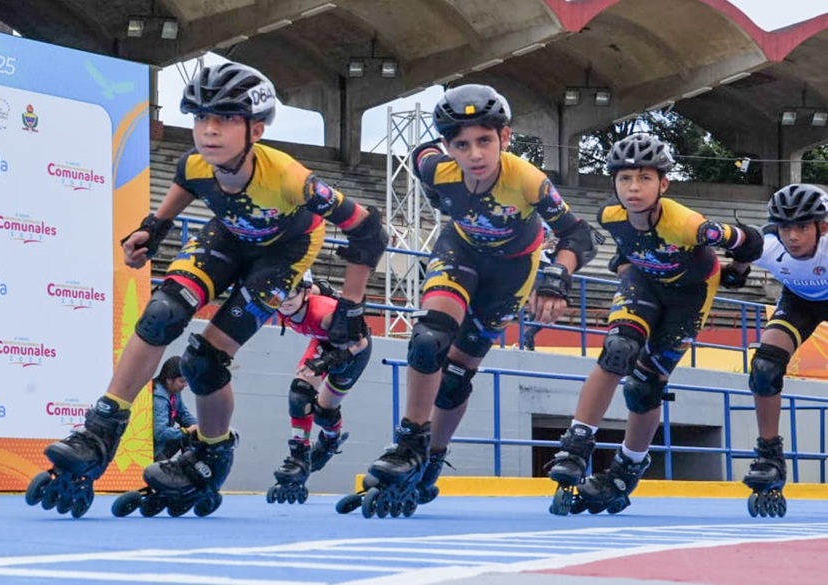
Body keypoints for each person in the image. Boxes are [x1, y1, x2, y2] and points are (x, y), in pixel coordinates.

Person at [26, 60, 387, 518]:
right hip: (231, 238)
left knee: (203, 362)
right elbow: (184, 184)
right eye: (201, 118)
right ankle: (103, 427)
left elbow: (370, 230)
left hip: (283, 256)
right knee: (161, 314)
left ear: (256, 129)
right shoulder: (196, 164)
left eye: (224, 119)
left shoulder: (293, 180)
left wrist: (352, 305)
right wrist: (151, 229)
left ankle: (211, 454)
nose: (209, 131)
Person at [341, 84, 600, 517]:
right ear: (448, 147)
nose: (475, 155)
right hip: (459, 252)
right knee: (427, 340)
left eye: (485, 141)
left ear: (506, 138)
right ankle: (410, 441)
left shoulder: (528, 180)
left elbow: (579, 235)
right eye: (461, 145)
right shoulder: (434, 168)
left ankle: (434, 457)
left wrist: (555, 279)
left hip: (510, 274)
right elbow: (425, 156)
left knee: (458, 375)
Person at [545, 133, 763, 516]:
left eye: (645, 178)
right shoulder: (610, 216)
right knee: (617, 350)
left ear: (664, 183)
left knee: (645, 387)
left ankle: (629, 464)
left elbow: (751, 242)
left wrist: (737, 272)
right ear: (613, 182)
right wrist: (626, 271)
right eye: (625, 178)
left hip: (689, 297)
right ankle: (577, 442)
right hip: (645, 283)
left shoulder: (690, 225)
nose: (633, 188)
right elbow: (629, 249)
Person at [722, 183, 828, 518]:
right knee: (764, 368)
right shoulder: (770, 246)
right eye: (785, 228)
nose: (793, 237)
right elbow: (741, 260)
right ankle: (769, 454)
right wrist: (735, 272)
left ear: (822, 227)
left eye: (801, 227)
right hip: (801, 304)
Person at [266, 272, 372, 504]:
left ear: (304, 292)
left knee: (324, 413)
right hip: (324, 341)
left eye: (291, 293)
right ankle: (299, 456)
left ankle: (331, 439)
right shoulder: (283, 300)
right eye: (279, 294)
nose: (284, 301)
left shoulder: (324, 314)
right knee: (299, 393)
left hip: (352, 352)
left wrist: (325, 362)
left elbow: (361, 342)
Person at [152, 356, 198, 461]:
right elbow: (160, 433)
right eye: (182, 381)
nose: (185, 385)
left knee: (191, 435)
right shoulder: (159, 399)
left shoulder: (174, 392)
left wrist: (199, 427)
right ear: (169, 380)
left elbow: (183, 414)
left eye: (187, 381)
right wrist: (187, 431)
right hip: (153, 450)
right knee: (186, 433)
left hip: (161, 444)